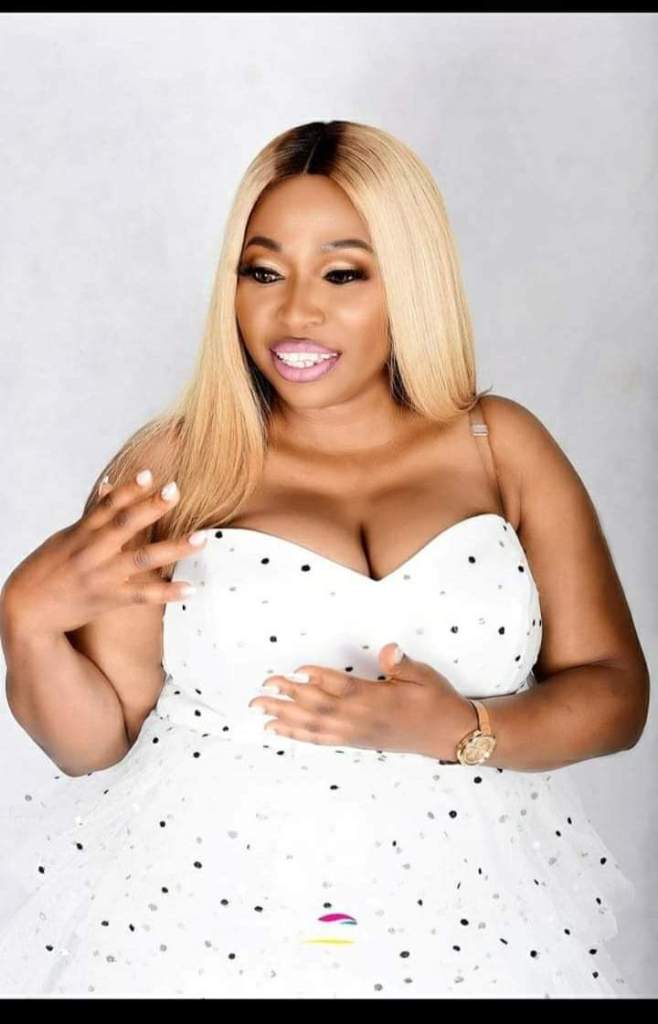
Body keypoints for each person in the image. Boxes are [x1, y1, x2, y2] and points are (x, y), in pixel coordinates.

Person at [0, 120, 648, 999]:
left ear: (410, 280)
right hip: (209, 921)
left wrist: (458, 731)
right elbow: (96, 744)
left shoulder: (502, 447)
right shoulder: (177, 465)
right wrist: (27, 623)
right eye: (262, 272)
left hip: (468, 920)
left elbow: (615, 693)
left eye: (342, 274)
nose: (295, 312)